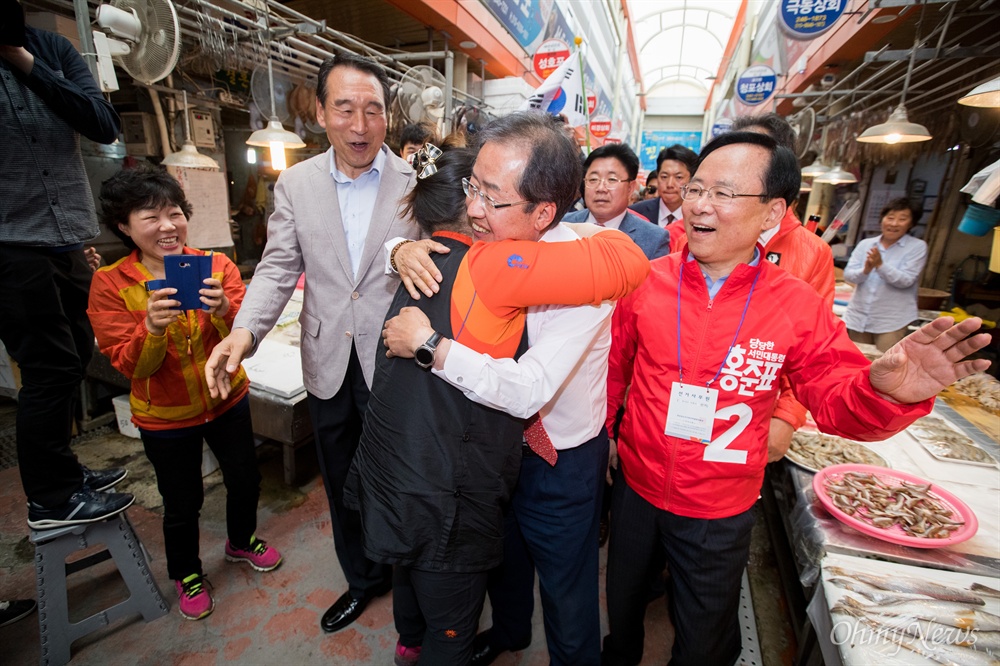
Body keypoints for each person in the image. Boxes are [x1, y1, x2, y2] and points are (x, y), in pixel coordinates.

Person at [600, 131, 991, 666]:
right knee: (621, 611)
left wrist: (885, 393)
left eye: (724, 193)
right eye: (695, 189)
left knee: (703, 636)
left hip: (720, 505)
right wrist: (608, 438)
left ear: (771, 213)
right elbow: (615, 369)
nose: (699, 205)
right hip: (638, 489)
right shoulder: (647, 280)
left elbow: (834, 397)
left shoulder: (796, 304)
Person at [348, 146, 648, 664]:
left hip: (560, 454)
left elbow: (529, 387)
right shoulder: (488, 252)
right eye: (474, 191)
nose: (478, 209)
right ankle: (510, 633)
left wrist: (431, 347)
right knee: (503, 563)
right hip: (495, 451)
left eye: (493, 196)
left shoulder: (581, 263)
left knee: (565, 588)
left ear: (542, 211)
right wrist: (403, 247)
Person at [205, 52, 417, 634]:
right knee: (343, 476)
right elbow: (277, 268)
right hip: (326, 361)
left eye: (373, 110)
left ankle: (409, 587)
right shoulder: (296, 183)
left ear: (386, 119)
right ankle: (363, 579)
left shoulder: (414, 182)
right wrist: (242, 334)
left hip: (397, 361)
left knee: (401, 476)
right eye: (345, 108)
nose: (360, 124)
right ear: (320, 113)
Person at [88, 165, 282, 620]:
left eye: (174, 213)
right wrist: (152, 328)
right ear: (124, 225)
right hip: (165, 417)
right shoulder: (111, 284)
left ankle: (240, 540)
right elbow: (129, 365)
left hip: (227, 400)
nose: (167, 226)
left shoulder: (217, 266)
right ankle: (186, 572)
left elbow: (245, 338)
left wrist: (225, 310)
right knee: (182, 501)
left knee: (245, 479)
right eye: (150, 217)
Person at [0, 7, 133, 530]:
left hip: (66, 233)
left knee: (77, 351)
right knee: (47, 366)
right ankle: (51, 499)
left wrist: (24, 61)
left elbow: (102, 122)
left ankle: (66, 473)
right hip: (8, 238)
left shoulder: (51, 51)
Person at [730, 112, 836, 460]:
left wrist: (787, 416)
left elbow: (814, 351)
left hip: (759, 410)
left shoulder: (811, 252)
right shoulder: (695, 235)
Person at [844, 197, 928, 352]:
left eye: (902, 219)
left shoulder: (917, 247)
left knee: (884, 366)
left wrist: (880, 265)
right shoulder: (866, 245)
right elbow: (849, 275)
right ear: (882, 219)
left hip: (891, 321)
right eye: (890, 218)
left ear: (911, 224)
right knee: (854, 363)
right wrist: (866, 270)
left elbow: (906, 280)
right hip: (858, 317)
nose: (894, 223)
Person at [562, 143, 671, 260]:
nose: (601, 188)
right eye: (593, 179)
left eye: (612, 180)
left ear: (630, 188)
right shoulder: (562, 224)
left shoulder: (653, 239)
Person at [629, 143, 698, 252]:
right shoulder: (635, 213)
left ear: (691, 180)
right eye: (664, 177)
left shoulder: (697, 218)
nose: (670, 184)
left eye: (678, 177)